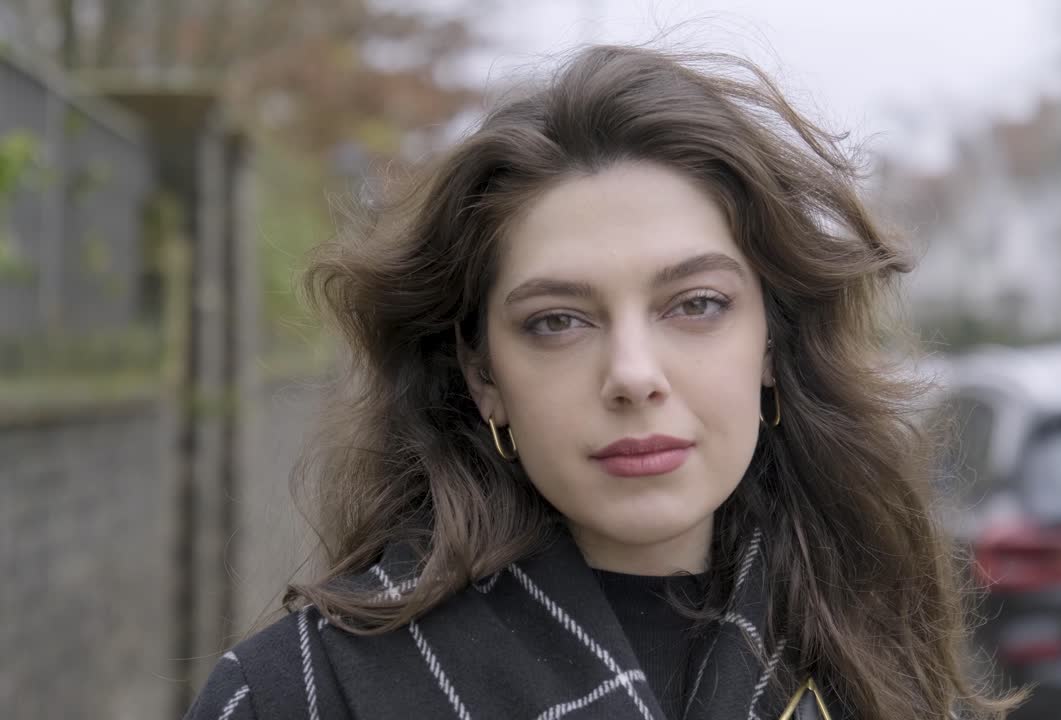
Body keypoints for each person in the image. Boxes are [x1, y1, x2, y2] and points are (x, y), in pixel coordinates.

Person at [184, 44, 1018, 720]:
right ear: (483, 374)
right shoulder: (298, 696)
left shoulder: (884, 661)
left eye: (696, 304)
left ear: (771, 343)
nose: (632, 375)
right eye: (558, 321)